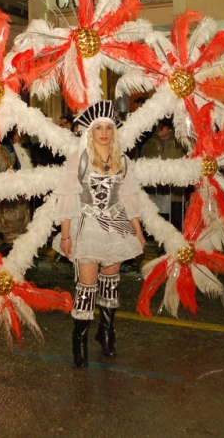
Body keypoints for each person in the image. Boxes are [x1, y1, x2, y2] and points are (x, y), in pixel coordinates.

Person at [52, 101, 145, 367]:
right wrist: (66, 236)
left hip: (116, 227)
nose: (104, 133)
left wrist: (137, 232)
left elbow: (128, 198)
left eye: (108, 128)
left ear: (114, 131)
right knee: (86, 287)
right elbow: (68, 201)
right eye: (98, 128)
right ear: (90, 132)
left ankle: (106, 334)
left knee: (110, 283)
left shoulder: (123, 161)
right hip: (87, 227)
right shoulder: (78, 160)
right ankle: (79, 341)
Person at [0, 130, 33, 255]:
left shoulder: (25, 148)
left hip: (24, 197)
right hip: (10, 199)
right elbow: (2, 175)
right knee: (11, 228)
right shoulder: (3, 150)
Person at [140, 117, 186, 230]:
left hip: (175, 193)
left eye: (163, 126)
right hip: (155, 192)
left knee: (175, 222)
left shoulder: (180, 144)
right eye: (158, 126)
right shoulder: (148, 144)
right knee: (158, 222)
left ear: (170, 129)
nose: (159, 128)